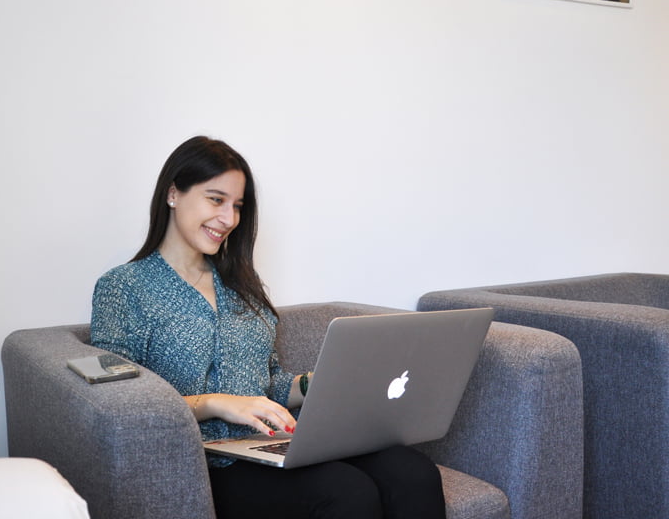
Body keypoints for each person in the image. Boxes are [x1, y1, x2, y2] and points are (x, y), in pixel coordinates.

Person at [91, 136, 446, 519]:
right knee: (346, 493)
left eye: (237, 206)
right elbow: (119, 405)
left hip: (268, 443)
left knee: (413, 472)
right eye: (215, 199)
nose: (228, 219)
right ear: (173, 193)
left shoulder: (242, 284)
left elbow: (268, 382)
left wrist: (315, 383)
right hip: (205, 461)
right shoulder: (123, 287)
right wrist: (215, 403)